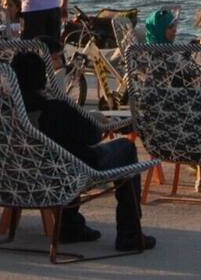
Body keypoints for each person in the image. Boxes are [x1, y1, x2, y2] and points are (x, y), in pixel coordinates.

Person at [9, 52, 155, 251]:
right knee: (126, 148)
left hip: (20, 176)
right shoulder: (53, 109)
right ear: (42, 78)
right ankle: (130, 233)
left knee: (63, 152)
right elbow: (92, 136)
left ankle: (71, 226)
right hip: (67, 174)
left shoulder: (4, 110)